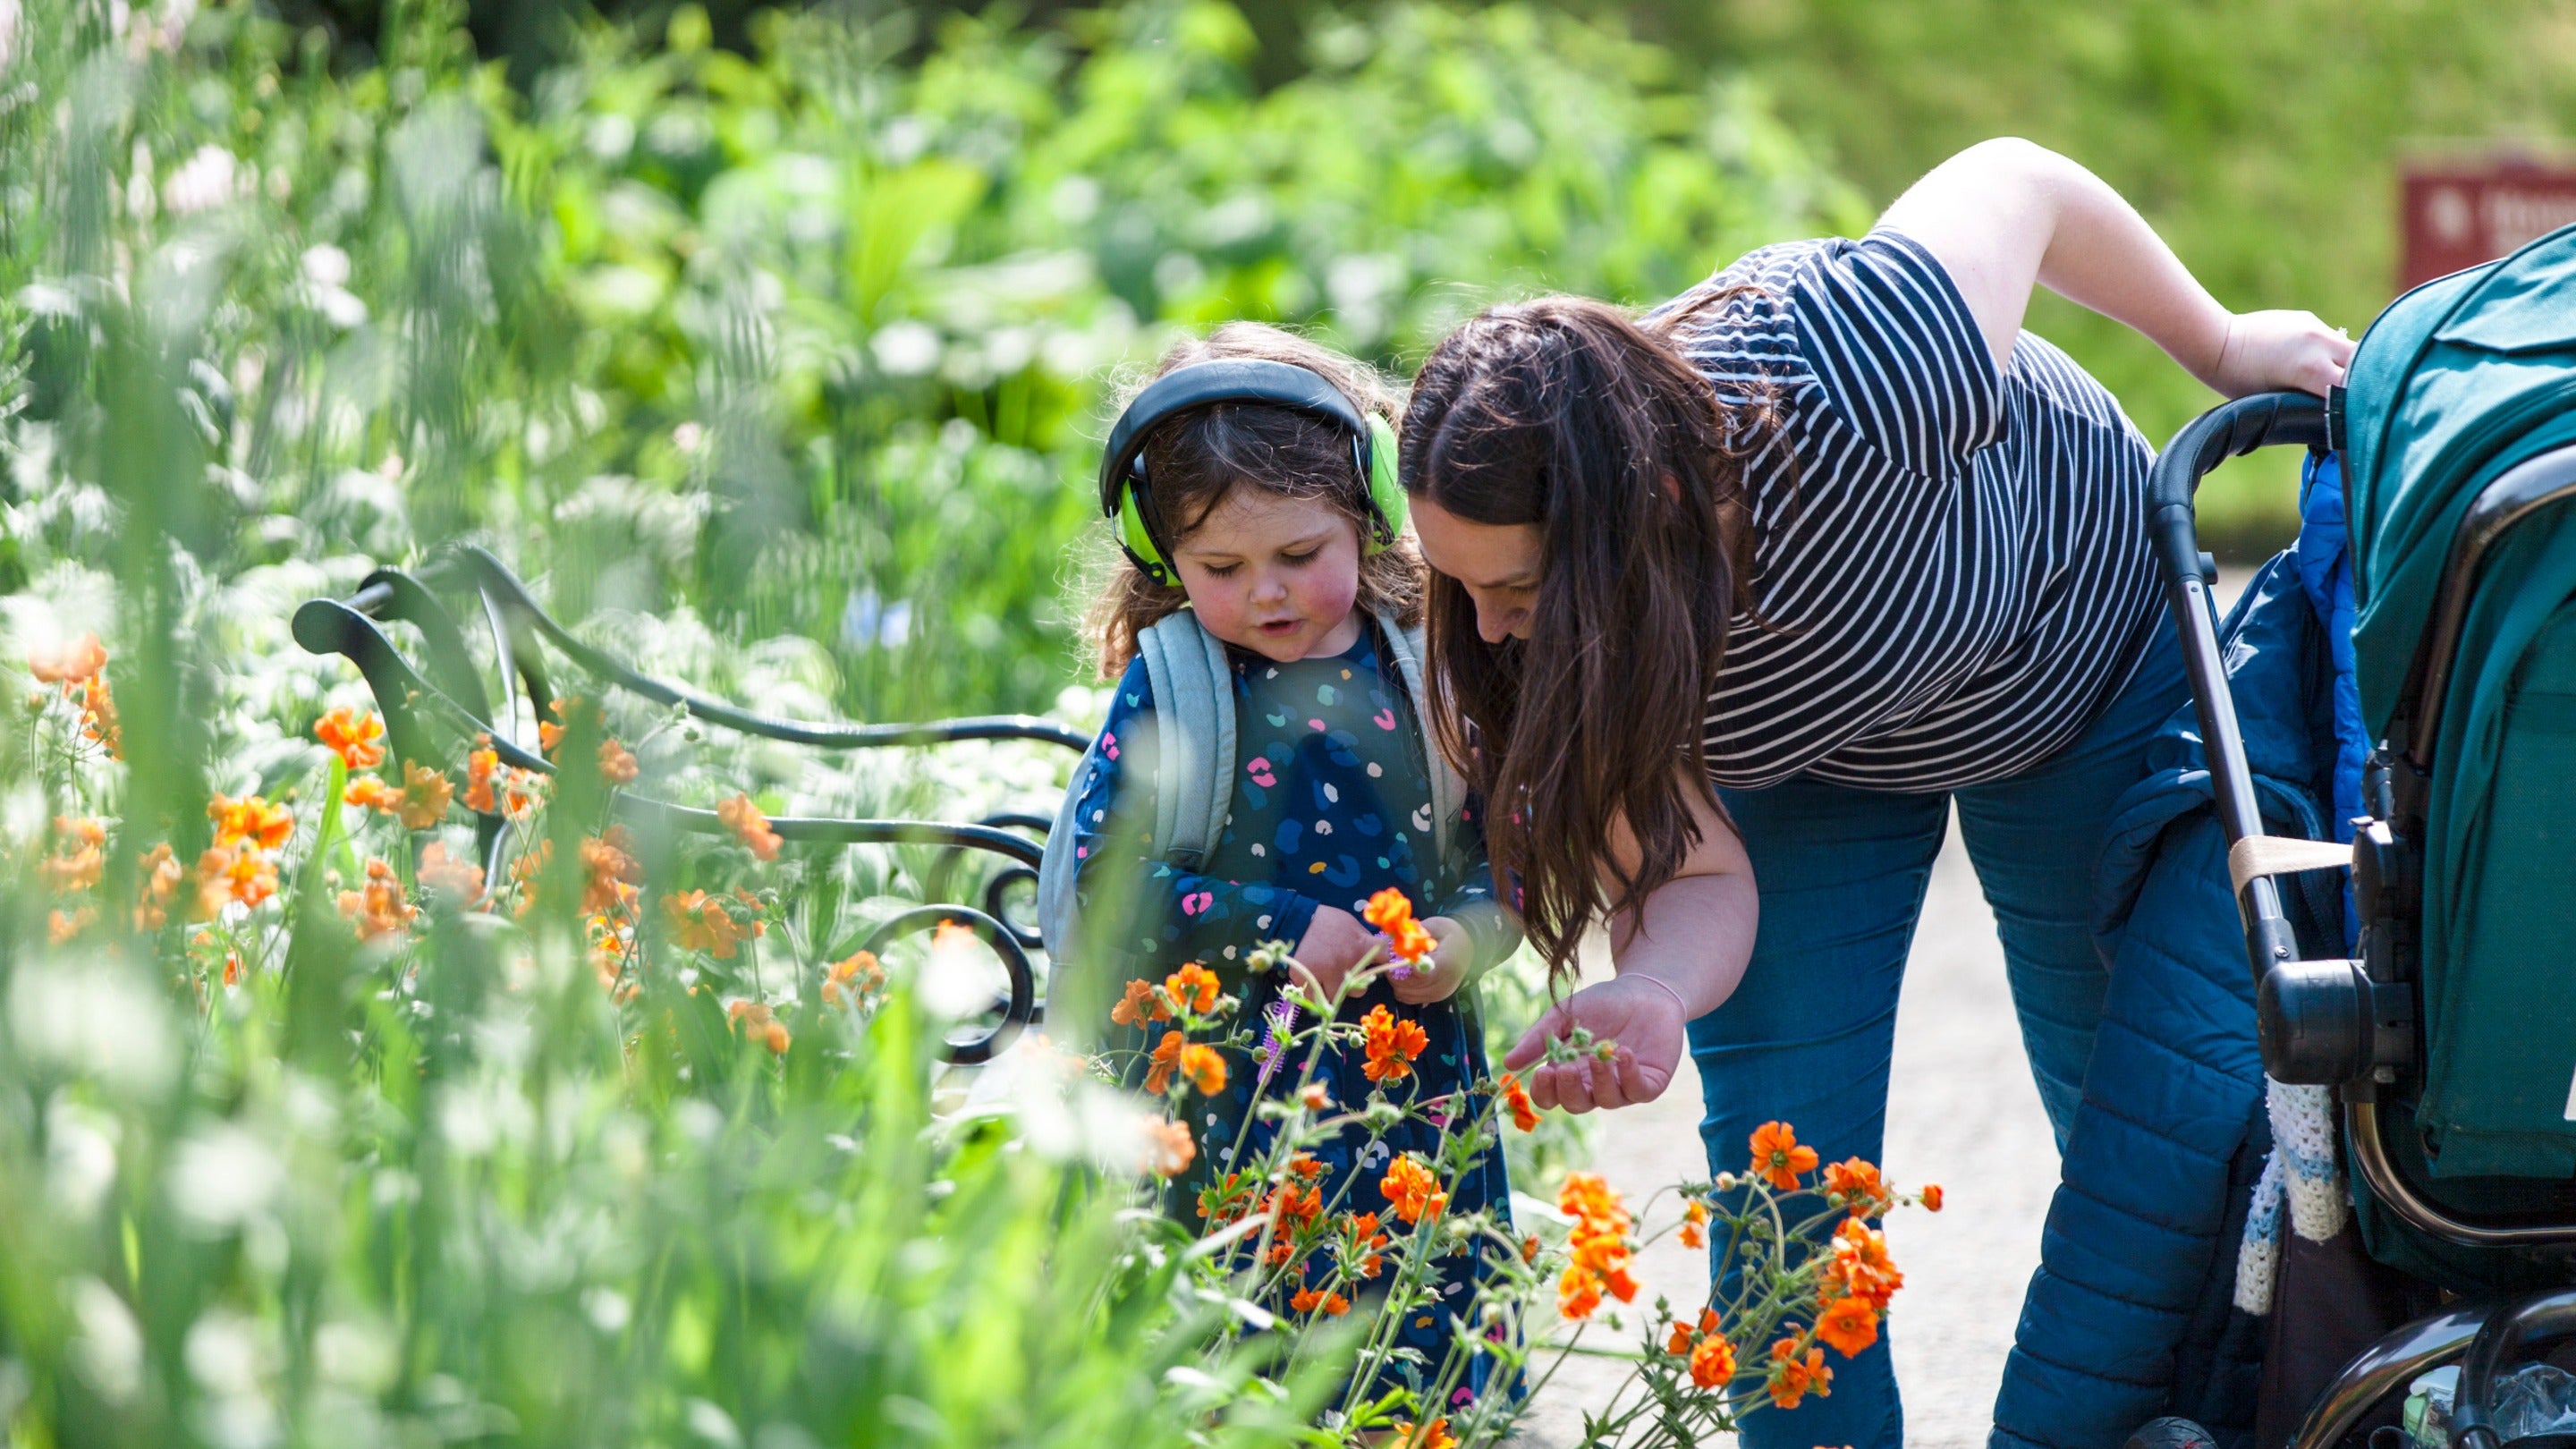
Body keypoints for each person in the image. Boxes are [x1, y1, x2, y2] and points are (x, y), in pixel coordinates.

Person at [1392, 139, 2356, 1447]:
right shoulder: (1579, 651)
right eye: (1468, 589)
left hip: (2074, 664)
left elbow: (2020, 179)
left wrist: (2224, 343)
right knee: (1783, 1180)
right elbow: (1693, 873)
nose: (1494, 633)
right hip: (1805, 761)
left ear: (1653, 509)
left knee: (2144, 1145)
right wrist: (1654, 990)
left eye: (1518, 594)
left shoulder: (1858, 371)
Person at [1062, 322, 1521, 1405]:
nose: (1265, 592)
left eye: (1300, 556)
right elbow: (1109, 876)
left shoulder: (1430, 664)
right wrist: (1274, 931)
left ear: (1369, 513)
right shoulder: (1177, 682)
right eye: (1221, 567)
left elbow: (1508, 855)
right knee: (1238, 1357)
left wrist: (1463, 939)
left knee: (1411, 1350)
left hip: (1412, 1086)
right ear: (1157, 549)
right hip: (1225, 1085)